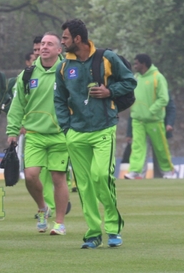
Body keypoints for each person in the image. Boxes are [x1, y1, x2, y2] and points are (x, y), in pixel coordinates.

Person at [55, 19, 136, 249]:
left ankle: (113, 227)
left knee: (101, 176)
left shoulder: (107, 57)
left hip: (103, 128)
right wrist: (66, 128)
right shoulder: (63, 67)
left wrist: (110, 91)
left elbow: (130, 81)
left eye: (65, 38)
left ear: (77, 39)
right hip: (76, 133)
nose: (62, 42)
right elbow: (59, 100)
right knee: (84, 185)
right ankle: (92, 233)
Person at [7, 33, 70, 235]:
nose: (44, 47)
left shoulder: (67, 71)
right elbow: (17, 105)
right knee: (31, 176)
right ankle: (43, 207)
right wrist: (12, 131)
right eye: (42, 44)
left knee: (58, 178)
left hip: (60, 134)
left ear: (59, 50)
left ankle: (59, 223)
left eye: (50, 44)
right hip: (34, 134)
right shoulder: (27, 74)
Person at [124, 54, 175, 179]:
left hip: (154, 120)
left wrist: (151, 111)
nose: (134, 66)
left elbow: (164, 99)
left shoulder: (157, 77)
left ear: (144, 64)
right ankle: (136, 171)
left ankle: (168, 171)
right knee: (137, 147)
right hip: (138, 120)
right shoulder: (136, 78)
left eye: (136, 63)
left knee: (160, 147)